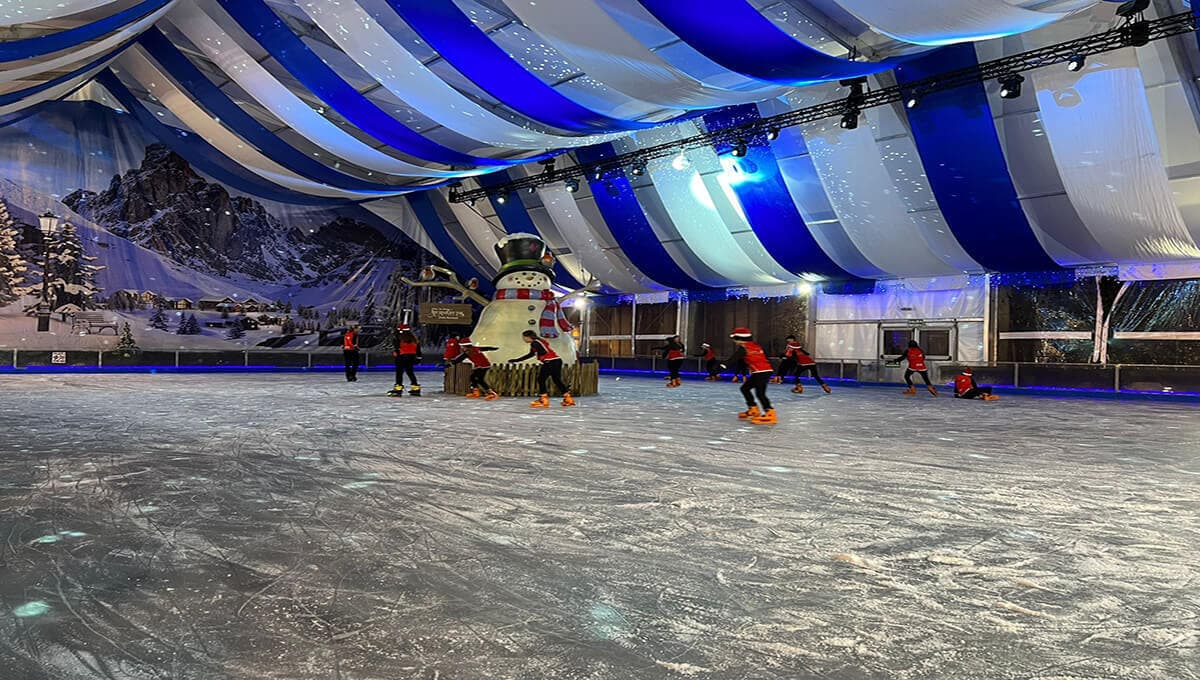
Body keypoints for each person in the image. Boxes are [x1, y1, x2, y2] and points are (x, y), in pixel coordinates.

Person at [510, 330, 576, 408]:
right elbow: (531, 354)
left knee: (541, 379)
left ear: (528, 337)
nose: (524, 339)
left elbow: (543, 351)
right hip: (557, 360)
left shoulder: (535, 343)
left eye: (524, 337)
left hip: (550, 361)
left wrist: (540, 354)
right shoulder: (539, 341)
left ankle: (543, 399)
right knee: (557, 380)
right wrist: (517, 360)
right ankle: (568, 398)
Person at [728, 327, 776, 425]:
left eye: (734, 339)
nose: (734, 342)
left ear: (739, 338)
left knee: (760, 393)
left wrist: (721, 367)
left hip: (761, 372)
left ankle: (770, 413)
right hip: (763, 371)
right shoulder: (755, 346)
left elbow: (733, 359)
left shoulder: (744, 348)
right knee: (745, 388)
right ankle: (753, 409)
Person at [389, 324, 422, 396]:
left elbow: (397, 349)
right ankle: (415, 388)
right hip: (412, 357)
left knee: (399, 373)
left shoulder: (399, 338)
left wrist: (396, 355)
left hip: (402, 357)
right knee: (410, 372)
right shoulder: (414, 339)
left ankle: (398, 388)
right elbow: (418, 351)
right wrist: (419, 359)